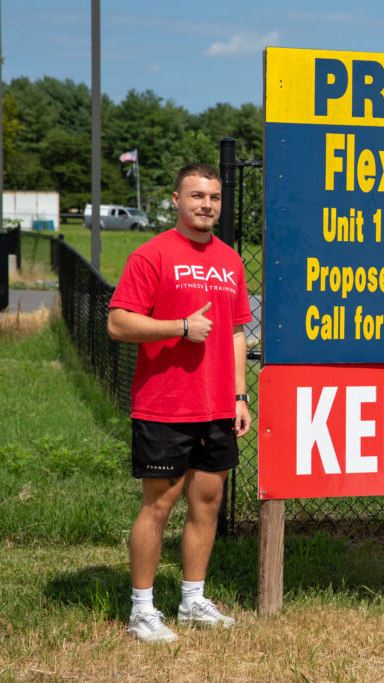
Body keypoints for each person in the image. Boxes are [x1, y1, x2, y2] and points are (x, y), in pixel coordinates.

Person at [107, 162, 252, 643]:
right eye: (196, 196)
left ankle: (192, 601)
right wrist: (180, 328)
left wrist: (239, 395)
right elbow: (119, 323)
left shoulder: (231, 261)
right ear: (176, 200)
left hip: (217, 406)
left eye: (213, 197)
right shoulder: (151, 255)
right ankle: (141, 611)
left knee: (206, 503)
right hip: (165, 404)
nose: (206, 205)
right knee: (159, 505)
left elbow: (236, 333)